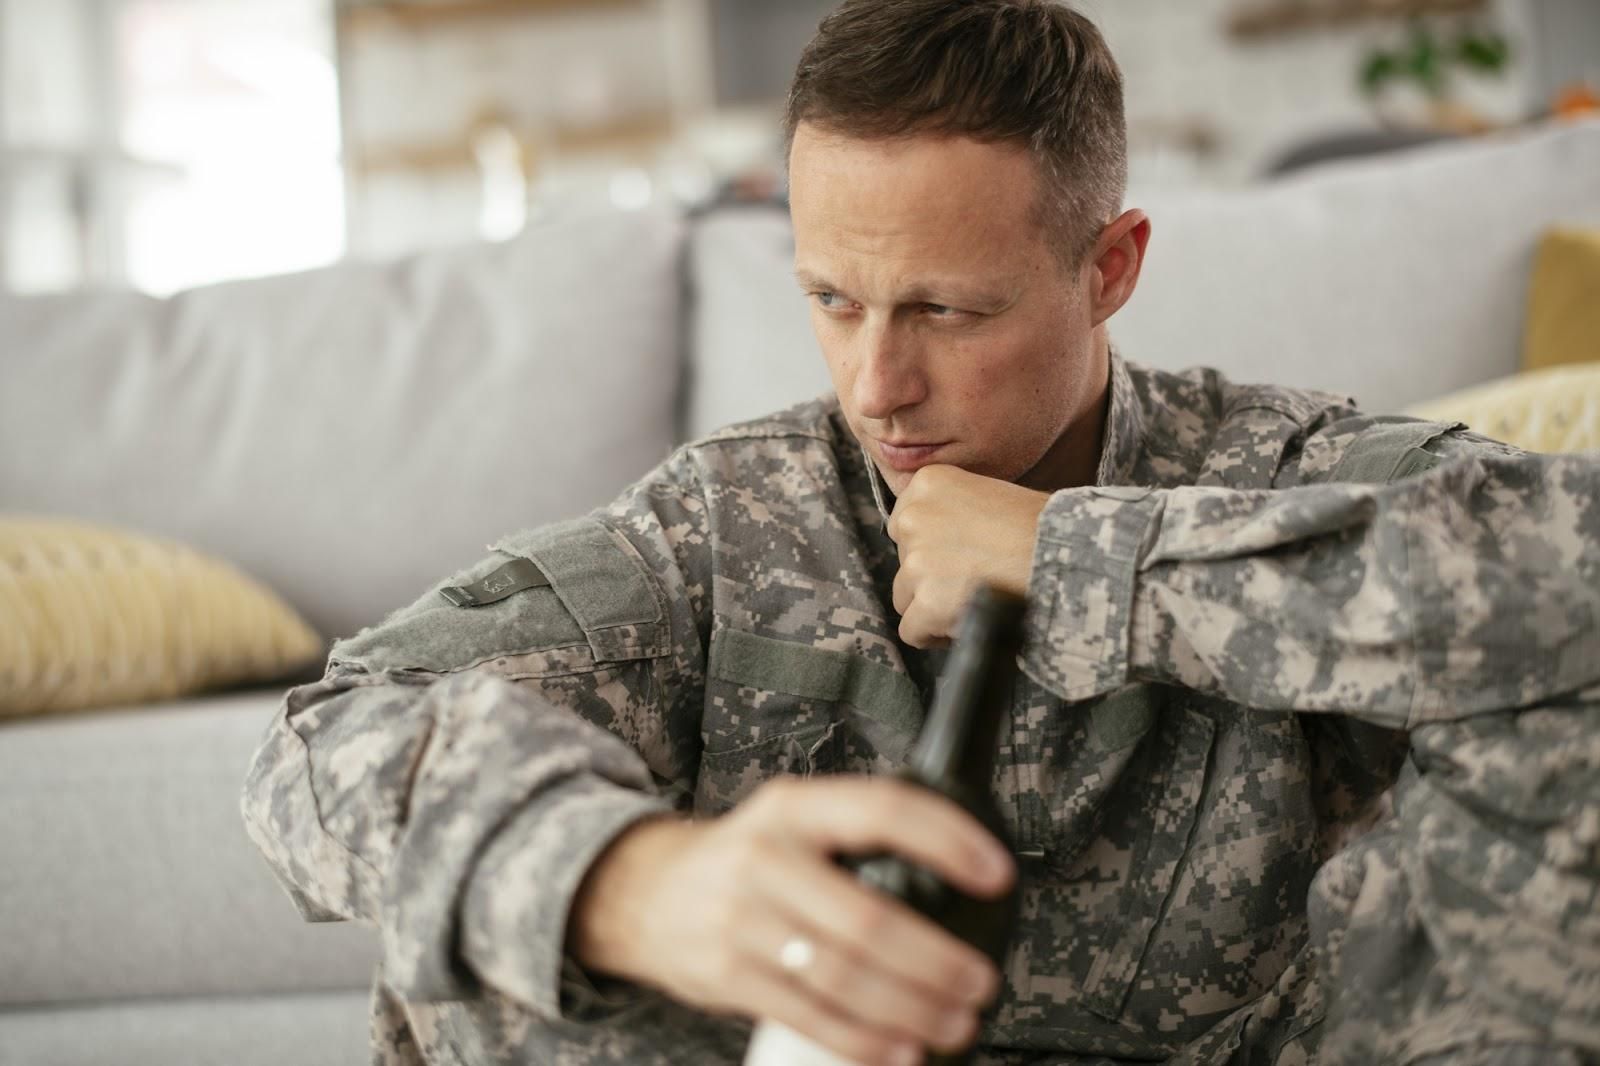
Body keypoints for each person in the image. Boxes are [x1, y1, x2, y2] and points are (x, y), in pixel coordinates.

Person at [241, 2, 1600, 1064]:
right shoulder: (732, 519)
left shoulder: (1268, 464)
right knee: (490, 918)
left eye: (946, 310)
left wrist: (1080, 562)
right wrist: (634, 884)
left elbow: (1573, 569)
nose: (877, 385)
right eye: (834, 299)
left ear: (1111, 264)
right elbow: (325, 733)